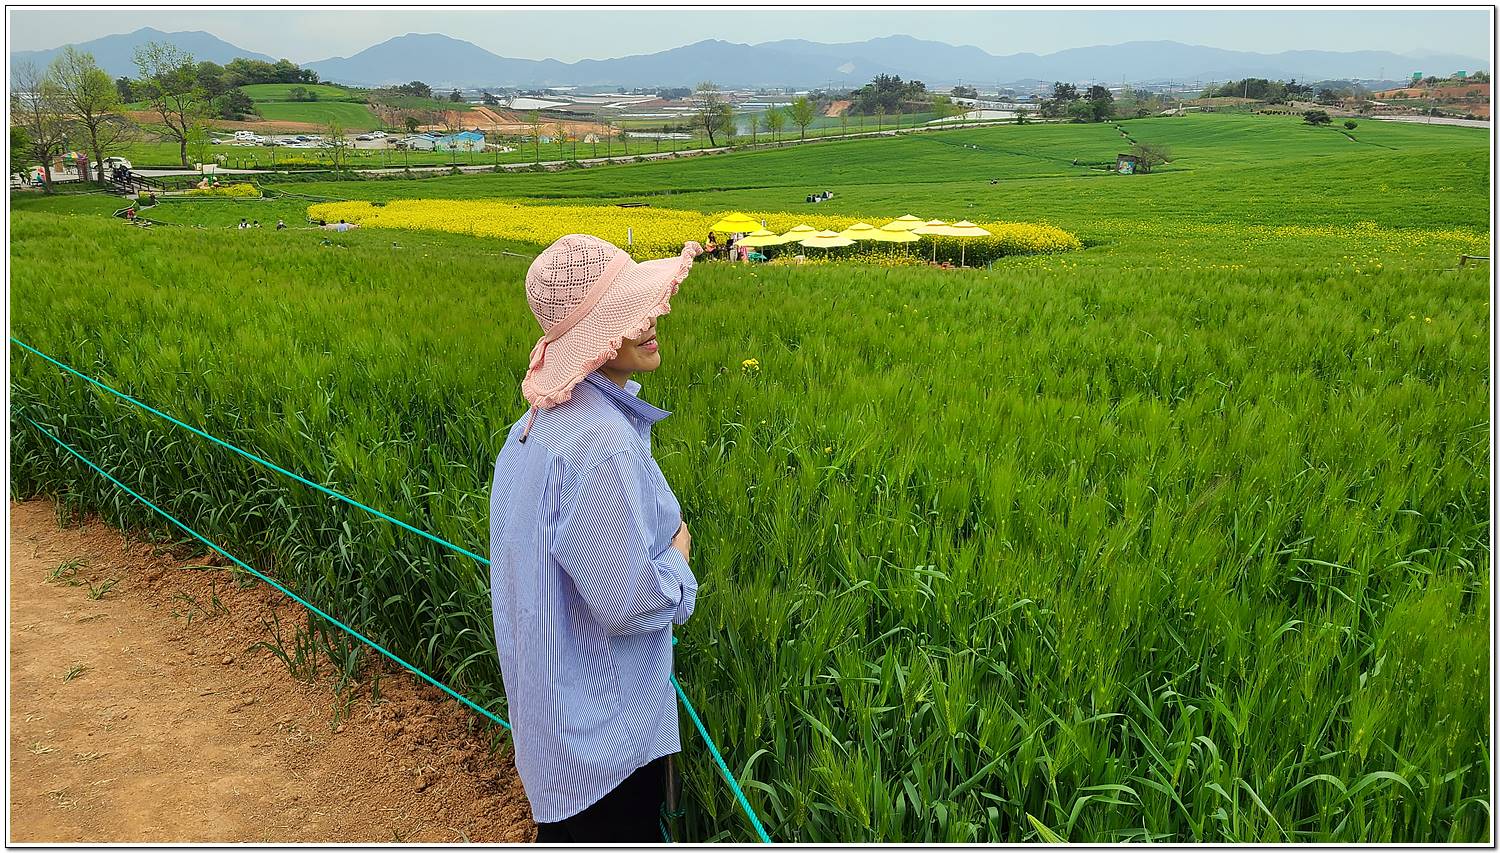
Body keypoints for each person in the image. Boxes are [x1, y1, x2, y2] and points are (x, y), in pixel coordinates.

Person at [489, 234, 703, 842]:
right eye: (631, 312)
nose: (653, 318)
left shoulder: (535, 424)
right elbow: (627, 604)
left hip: (553, 731)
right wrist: (678, 553)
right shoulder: (600, 440)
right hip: (605, 744)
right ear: (598, 337)